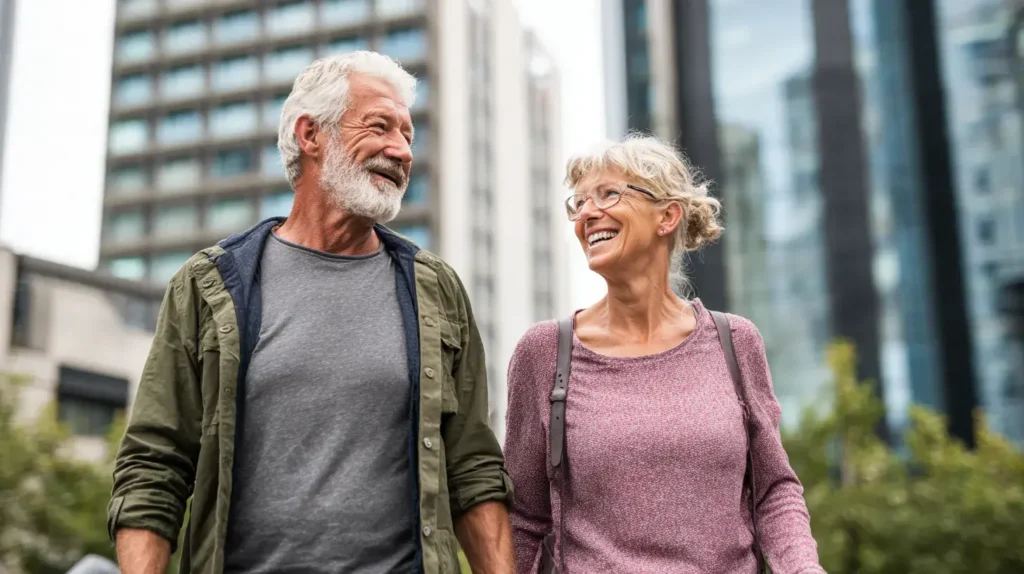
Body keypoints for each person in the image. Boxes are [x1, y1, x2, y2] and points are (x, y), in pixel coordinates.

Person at [107, 51, 514, 574]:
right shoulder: (208, 285)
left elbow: (473, 469)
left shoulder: (436, 289)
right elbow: (154, 466)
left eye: (409, 136)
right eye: (381, 126)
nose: (402, 150)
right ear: (310, 134)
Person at [504, 135, 824, 573]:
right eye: (578, 203)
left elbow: (774, 491)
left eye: (609, 194)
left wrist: (804, 569)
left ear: (668, 216)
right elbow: (524, 519)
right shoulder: (545, 353)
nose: (587, 214)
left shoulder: (736, 341)